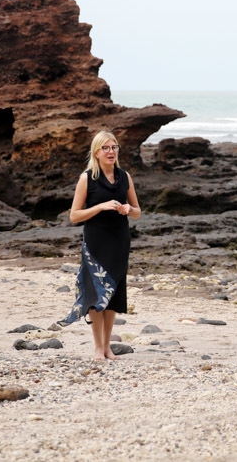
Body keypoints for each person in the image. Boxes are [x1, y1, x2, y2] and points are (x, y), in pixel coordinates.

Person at [58, 130, 141, 361]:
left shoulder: (125, 176)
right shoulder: (87, 178)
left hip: (119, 240)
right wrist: (101, 207)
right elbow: (74, 216)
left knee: (113, 293)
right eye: (106, 148)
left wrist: (128, 209)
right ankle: (97, 348)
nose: (111, 151)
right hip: (95, 241)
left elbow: (137, 213)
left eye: (114, 147)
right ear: (96, 152)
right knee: (96, 294)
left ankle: (107, 347)